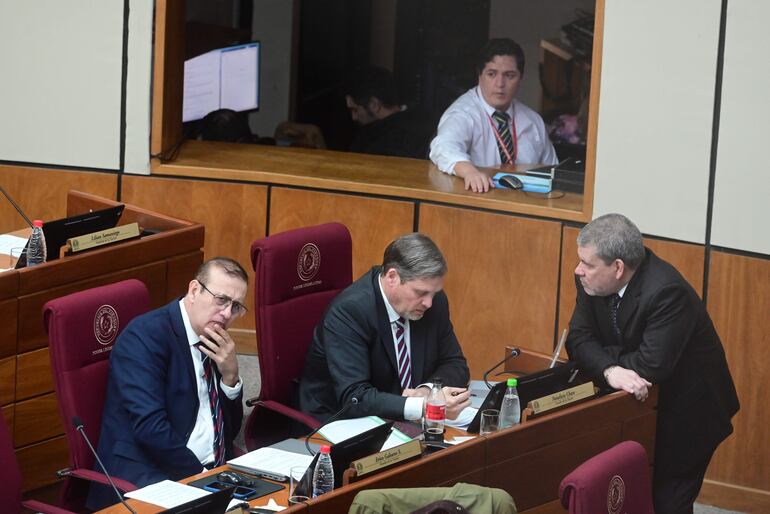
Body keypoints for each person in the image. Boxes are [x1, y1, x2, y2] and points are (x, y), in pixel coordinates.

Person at [565, 213, 739, 514]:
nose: (578, 270)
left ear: (618, 267)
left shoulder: (666, 292)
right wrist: (611, 370)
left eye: (588, 264)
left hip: (689, 415)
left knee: (665, 504)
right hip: (642, 408)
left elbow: (651, 365)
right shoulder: (589, 281)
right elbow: (577, 341)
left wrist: (603, 357)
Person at [87, 257, 248, 509]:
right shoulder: (144, 337)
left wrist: (230, 377)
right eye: (221, 300)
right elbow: (151, 429)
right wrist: (203, 478)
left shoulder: (216, 342)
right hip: (150, 473)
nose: (227, 313)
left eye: (236, 306)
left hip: (211, 472)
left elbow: (229, 431)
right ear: (194, 290)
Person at [298, 233, 471, 423]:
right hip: (341, 422)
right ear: (392, 277)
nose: (429, 303)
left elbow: (455, 363)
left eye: (433, 293)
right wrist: (422, 406)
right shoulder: (350, 312)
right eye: (421, 292)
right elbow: (355, 398)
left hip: (403, 421)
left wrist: (428, 391)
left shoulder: (433, 302)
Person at [429, 38, 558, 193]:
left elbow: (554, 172)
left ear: (521, 78)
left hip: (527, 203)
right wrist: (470, 172)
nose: (500, 84)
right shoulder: (463, 113)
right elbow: (442, 147)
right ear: (479, 75)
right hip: (479, 199)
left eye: (509, 76)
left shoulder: (533, 121)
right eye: (492, 74)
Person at [345, 66, 434, 159]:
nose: (354, 117)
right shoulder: (426, 123)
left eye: (355, 110)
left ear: (374, 105)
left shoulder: (371, 143)